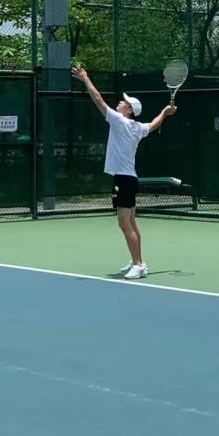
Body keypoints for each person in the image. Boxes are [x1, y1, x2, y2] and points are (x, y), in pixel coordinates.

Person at [73, 64, 175, 279]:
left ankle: (138, 264)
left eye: (124, 102)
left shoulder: (119, 121)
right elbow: (154, 124)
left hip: (123, 179)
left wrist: (86, 79)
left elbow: (98, 100)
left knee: (124, 223)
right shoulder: (138, 128)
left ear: (129, 111)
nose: (119, 103)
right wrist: (165, 112)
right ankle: (138, 260)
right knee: (132, 222)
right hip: (129, 179)